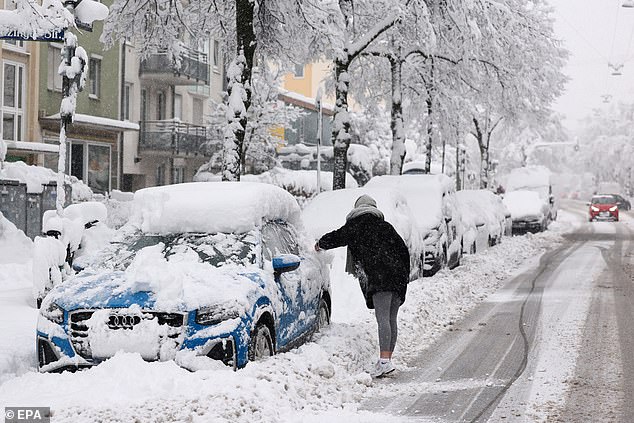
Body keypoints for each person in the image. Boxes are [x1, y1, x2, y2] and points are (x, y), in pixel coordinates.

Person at [314, 194, 410, 377]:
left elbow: (338, 236)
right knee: (391, 318)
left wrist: (320, 244)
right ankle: (386, 359)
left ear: (357, 208)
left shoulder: (357, 225)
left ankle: (384, 362)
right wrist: (404, 276)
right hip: (397, 276)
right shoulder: (386, 227)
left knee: (382, 319)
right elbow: (403, 250)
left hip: (381, 276)